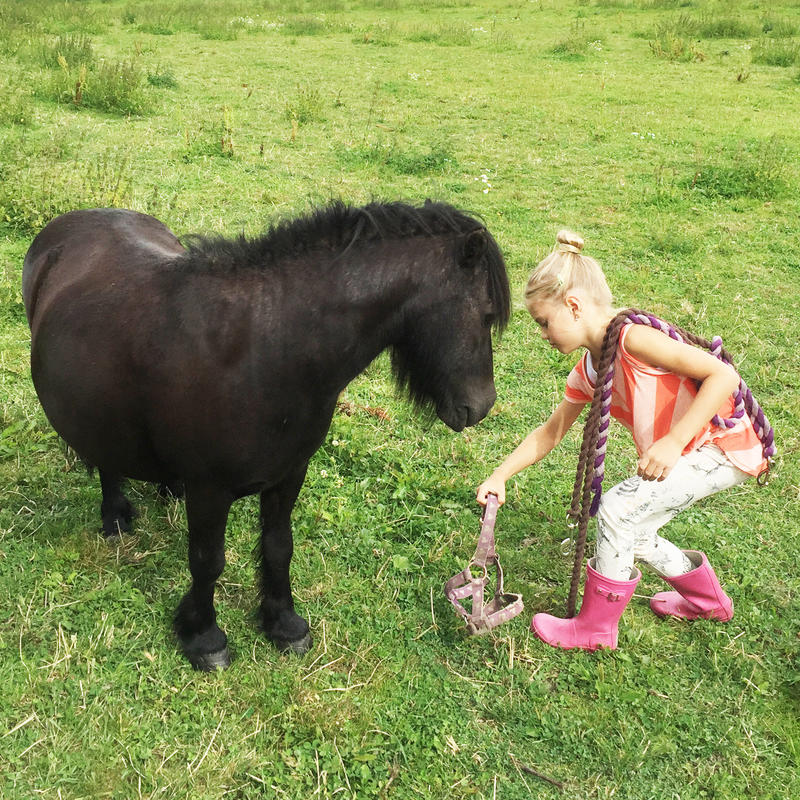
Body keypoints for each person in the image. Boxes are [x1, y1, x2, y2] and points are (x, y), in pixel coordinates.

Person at [476, 230, 774, 651]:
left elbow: (722, 375)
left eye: (543, 322)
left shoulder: (634, 339)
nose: (542, 334)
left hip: (722, 448)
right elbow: (551, 430)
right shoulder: (591, 370)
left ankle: (596, 630)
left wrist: (672, 441)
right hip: (704, 449)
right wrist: (501, 475)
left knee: (618, 508)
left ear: (574, 306)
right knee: (636, 532)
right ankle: (709, 602)